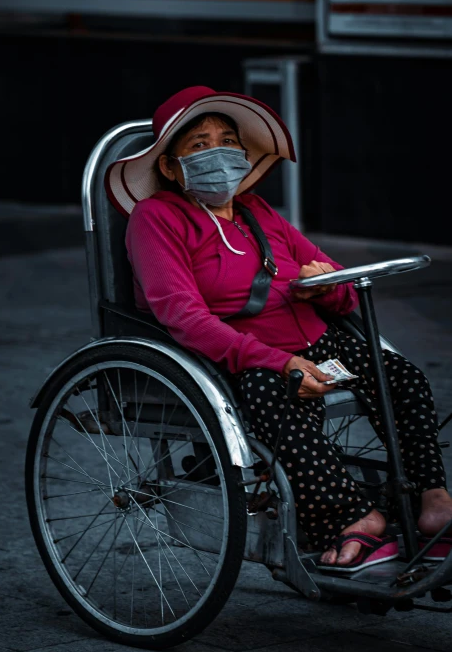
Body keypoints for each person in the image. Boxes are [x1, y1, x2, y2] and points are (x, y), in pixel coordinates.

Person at [105, 85, 452, 571]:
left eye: (227, 142)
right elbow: (182, 316)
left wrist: (322, 288)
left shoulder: (258, 212)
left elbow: (344, 289)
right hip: (246, 357)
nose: (219, 154)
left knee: (403, 378)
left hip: (319, 341)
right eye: (200, 145)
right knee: (276, 397)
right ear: (169, 166)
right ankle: (355, 517)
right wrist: (280, 361)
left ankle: (431, 504)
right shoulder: (156, 218)